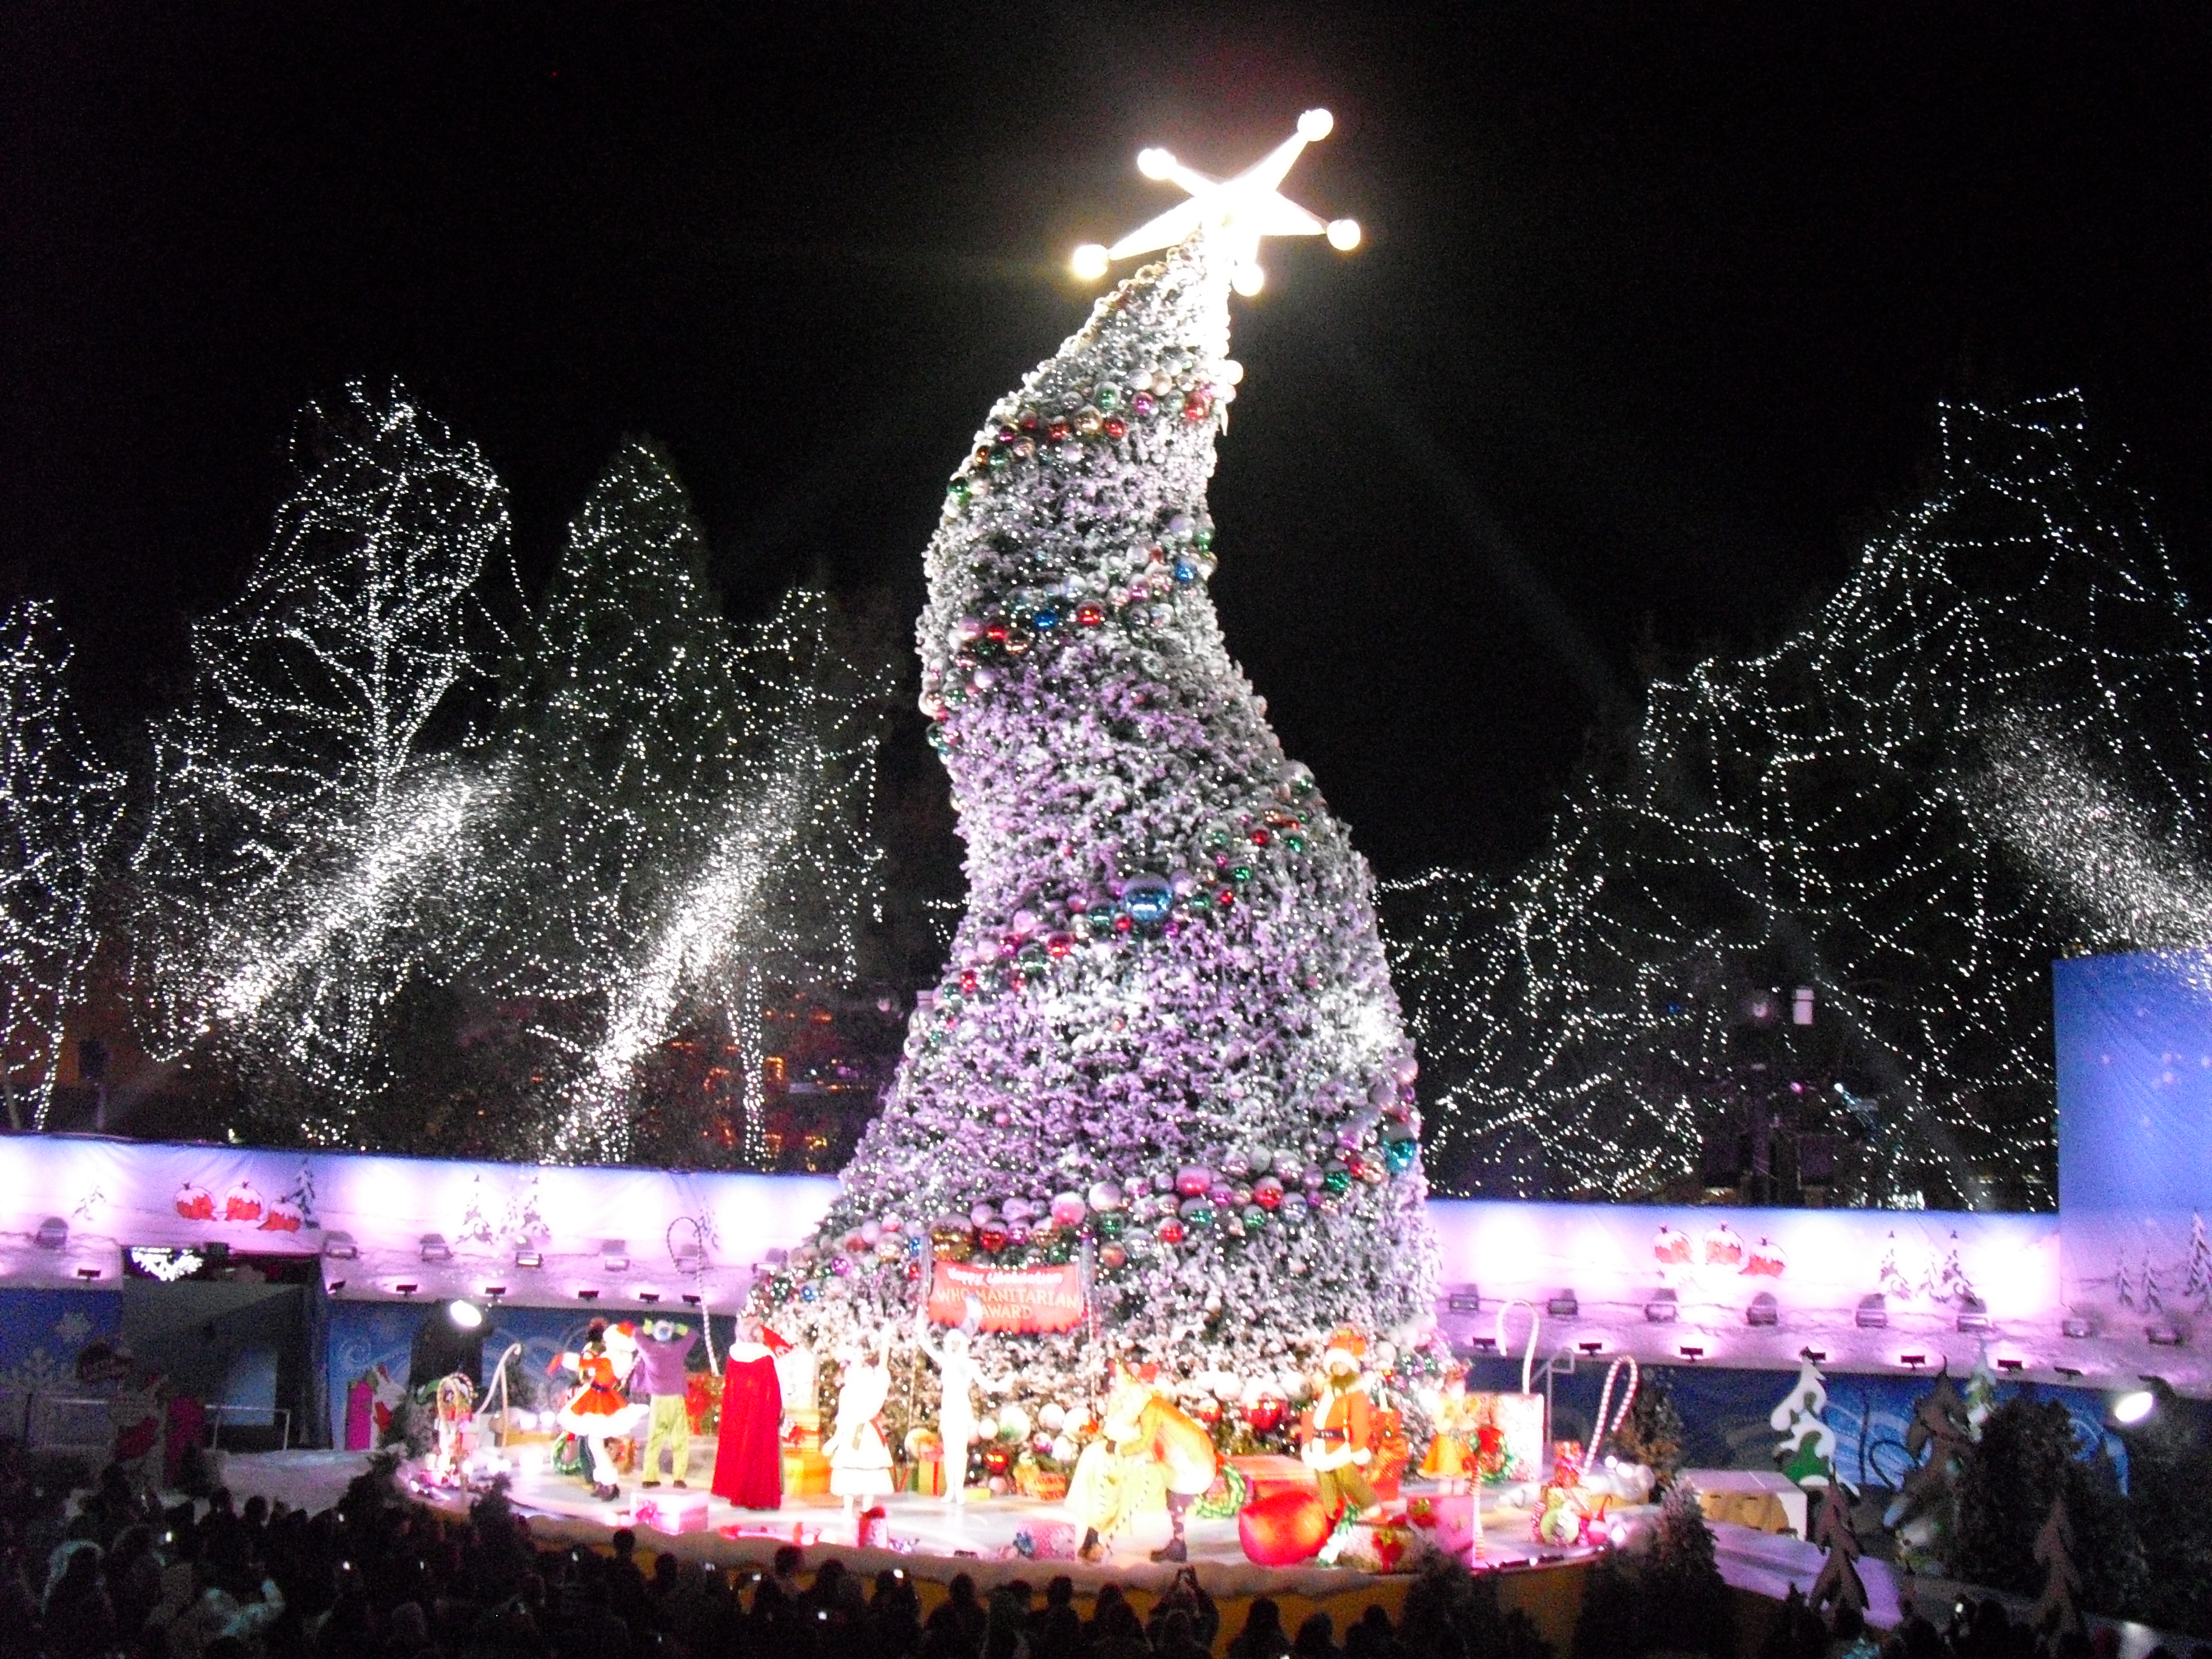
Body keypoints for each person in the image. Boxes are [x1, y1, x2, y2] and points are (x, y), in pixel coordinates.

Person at [913, 1310, 1003, 1505]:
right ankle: (950, 1490)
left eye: (957, 1343)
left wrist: (1002, 1385)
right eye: (951, 1343)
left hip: (961, 1412)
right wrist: (921, 1326)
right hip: (948, 1412)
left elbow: (986, 1383)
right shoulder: (946, 1362)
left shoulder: (969, 1365)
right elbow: (927, 1345)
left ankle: (959, 1490)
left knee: (960, 1452)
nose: (953, 1347)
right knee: (949, 1451)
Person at [552, 1321, 648, 1502]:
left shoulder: (608, 1360)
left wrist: (563, 1359)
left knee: (594, 1445)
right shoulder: (616, 1359)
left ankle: (608, 1484)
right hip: (600, 1396)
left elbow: (585, 1363)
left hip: (598, 1400)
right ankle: (605, 1482)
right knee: (594, 1445)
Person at [1298, 1330, 1382, 1522]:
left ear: (1350, 1367)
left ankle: (1371, 1508)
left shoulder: (1355, 1393)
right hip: (1320, 1446)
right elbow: (1316, 1415)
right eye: (1335, 1365)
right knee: (1325, 1482)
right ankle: (1332, 1515)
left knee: (1350, 1480)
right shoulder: (1327, 1389)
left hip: (1340, 1447)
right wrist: (1308, 1441)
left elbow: (1359, 1421)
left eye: (1342, 1365)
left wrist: (1358, 1447)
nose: (1338, 1369)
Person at [712, 1321, 786, 1510]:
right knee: (757, 1450)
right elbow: (773, 1388)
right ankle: (756, 1495)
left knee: (737, 1447)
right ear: (753, 1333)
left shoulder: (734, 1354)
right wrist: (778, 1409)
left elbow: (731, 1385)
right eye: (759, 1330)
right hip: (760, 1410)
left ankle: (734, 1488)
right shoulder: (765, 1356)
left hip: (737, 1408)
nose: (763, 1333)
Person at [826, 1337, 896, 1531]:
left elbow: (882, 1373)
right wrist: (834, 1440)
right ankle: (848, 1508)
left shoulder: (873, 1391)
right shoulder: (847, 1394)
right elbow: (842, 1418)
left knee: (870, 1472)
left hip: (868, 1436)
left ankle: (867, 1508)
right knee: (849, 1471)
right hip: (851, 1435)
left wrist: (885, 1346)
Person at [633, 1318, 701, 1490]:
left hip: (657, 1399)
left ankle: (649, 1477)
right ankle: (679, 1478)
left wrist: (648, 1328)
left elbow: (637, 1334)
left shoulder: (648, 1350)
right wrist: (678, 1327)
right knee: (679, 1439)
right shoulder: (677, 1350)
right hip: (675, 1399)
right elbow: (693, 1334)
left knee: (654, 1439)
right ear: (670, 1334)